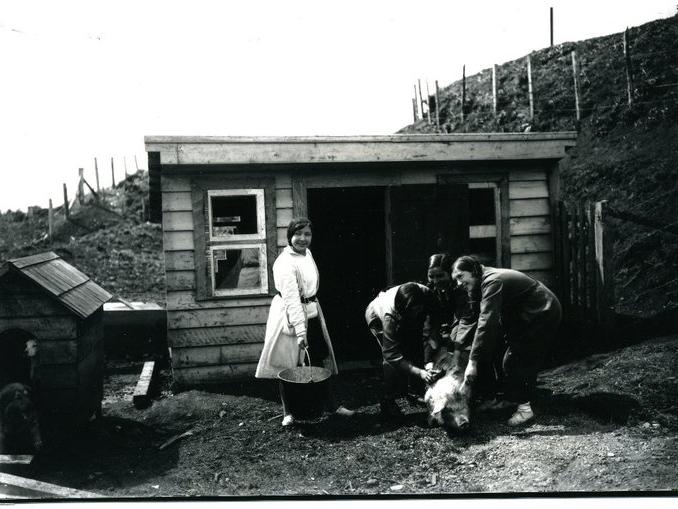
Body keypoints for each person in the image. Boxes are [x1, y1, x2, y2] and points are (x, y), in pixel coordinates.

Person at [255, 218, 354, 426]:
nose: (302, 239)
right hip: (290, 317)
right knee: (288, 364)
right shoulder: (285, 262)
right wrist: (300, 331)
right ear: (289, 236)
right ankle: (288, 413)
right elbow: (291, 298)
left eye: (307, 234)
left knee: (318, 360)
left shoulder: (307, 254)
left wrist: (311, 316)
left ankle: (332, 406)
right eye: (298, 234)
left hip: (311, 312)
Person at [451, 255, 562, 426]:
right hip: (521, 315)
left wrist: (472, 363)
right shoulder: (475, 282)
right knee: (497, 350)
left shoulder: (492, 281)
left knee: (513, 360)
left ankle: (525, 410)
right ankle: (510, 398)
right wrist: (460, 349)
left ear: (472, 271)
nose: (458, 283)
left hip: (541, 311)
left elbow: (487, 320)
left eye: (460, 277)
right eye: (455, 279)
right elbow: (474, 317)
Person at [364, 282, 440, 418]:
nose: (417, 313)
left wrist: (432, 341)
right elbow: (391, 355)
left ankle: (416, 390)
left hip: (404, 315)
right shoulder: (389, 317)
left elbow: (434, 317)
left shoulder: (426, 293)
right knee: (391, 362)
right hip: (377, 316)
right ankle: (388, 400)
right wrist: (420, 372)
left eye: (419, 309)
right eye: (413, 311)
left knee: (415, 348)